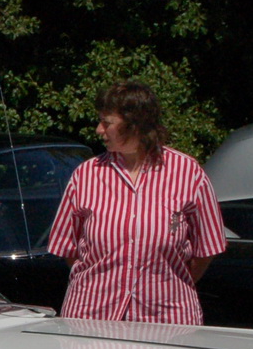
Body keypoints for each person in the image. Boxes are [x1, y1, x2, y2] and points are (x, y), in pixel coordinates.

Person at [47, 81, 226, 324]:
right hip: (92, 320)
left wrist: (166, 286)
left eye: (107, 122)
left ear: (135, 123)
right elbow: (68, 248)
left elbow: (207, 248)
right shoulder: (86, 175)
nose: (99, 130)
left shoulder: (188, 173)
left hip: (166, 321)